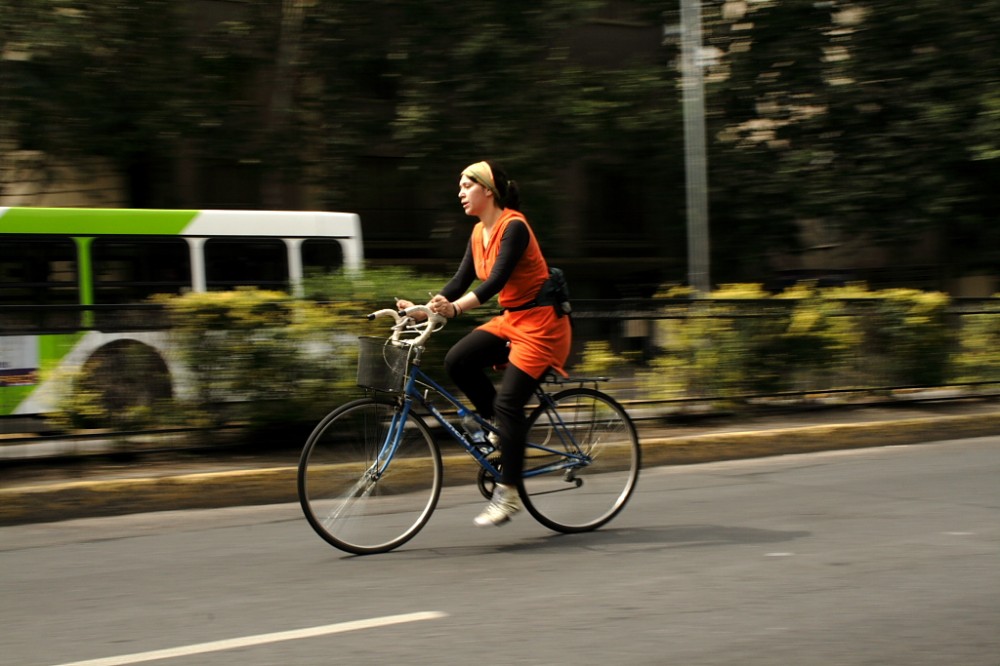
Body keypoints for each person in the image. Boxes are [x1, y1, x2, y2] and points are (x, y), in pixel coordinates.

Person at [396, 161, 572, 527]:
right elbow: (460, 281)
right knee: (457, 360)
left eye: (466, 185)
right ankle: (500, 429)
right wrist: (421, 310)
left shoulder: (515, 226)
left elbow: (493, 282)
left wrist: (455, 310)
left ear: (487, 190)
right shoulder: (478, 233)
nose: (459, 193)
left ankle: (507, 495)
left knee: (510, 405)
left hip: (541, 324)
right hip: (512, 320)